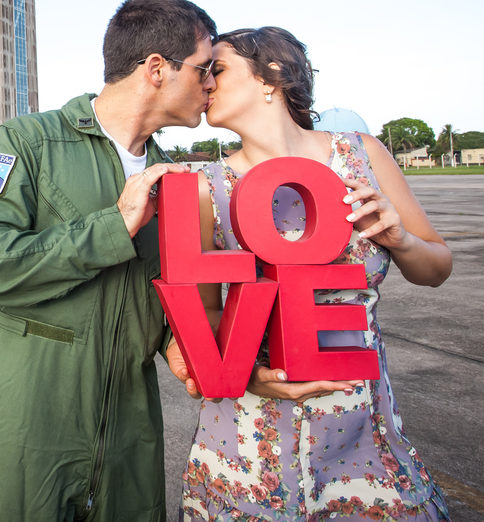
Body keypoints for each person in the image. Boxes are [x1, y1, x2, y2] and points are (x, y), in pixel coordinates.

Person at [0, 0, 218, 522]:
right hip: (33, 419)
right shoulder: (28, 141)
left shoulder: (173, 178)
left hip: (131, 429)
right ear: (157, 69)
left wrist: (175, 342)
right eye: (205, 69)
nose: (212, 84)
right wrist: (111, 227)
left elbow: (159, 288)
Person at [167, 26, 454, 521]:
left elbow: (436, 269)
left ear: (271, 78)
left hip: (359, 418)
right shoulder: (203, 188)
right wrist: (247, 376)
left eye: (218, 69)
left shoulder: (362, 155)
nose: (205, 83)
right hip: (248, 424)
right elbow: (205, 314)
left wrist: (399, 240)